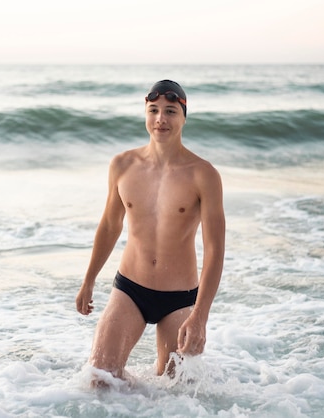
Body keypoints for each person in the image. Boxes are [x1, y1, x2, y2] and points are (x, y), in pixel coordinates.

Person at [75, 80, 225, 381]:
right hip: (130, 288)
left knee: (174, 392)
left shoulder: (203, 174)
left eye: (170, 111)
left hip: (180, 297)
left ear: (183, 117)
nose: (161, 119)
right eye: (153, 110)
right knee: (100, 379)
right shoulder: (123, 165)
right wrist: (89, 280)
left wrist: (200, 316)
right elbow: (109, 225)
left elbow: (215, 249)